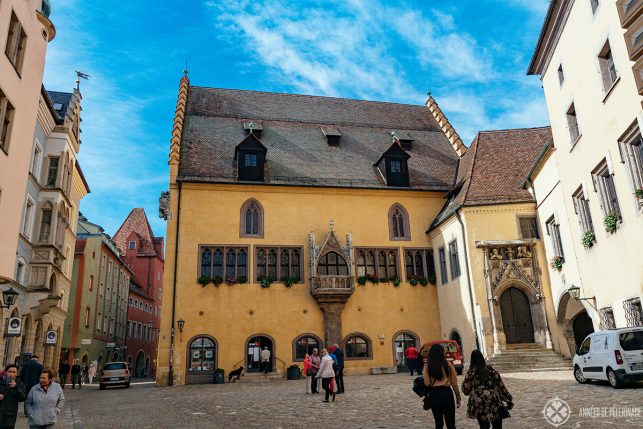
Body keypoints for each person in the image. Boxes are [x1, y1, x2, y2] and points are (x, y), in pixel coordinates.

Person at [462, 350, 513, 429]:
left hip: (479, 402)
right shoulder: (491, 370)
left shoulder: (471, 373)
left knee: (484, 426)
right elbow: (501, 385)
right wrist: (508, 398)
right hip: (493, 400)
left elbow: (465, 390)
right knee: (497, 425)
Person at [424, 343, 461, 429]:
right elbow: (454, 383)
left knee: (438, 423)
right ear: (442, 352)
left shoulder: (427, 366)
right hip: (447, 393)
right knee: (451, 423)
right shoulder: (448, 364)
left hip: (434, 395)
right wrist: (458, 397)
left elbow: (427, 383)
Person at [0, 364, 27, 428]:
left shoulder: (20, 384)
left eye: (14, 372)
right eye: (9, 372)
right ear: (6, 372)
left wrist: (16, 387)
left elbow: (22, 398)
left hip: (10, 415)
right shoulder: (1, 382)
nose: (11, 374)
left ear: (16, 374)